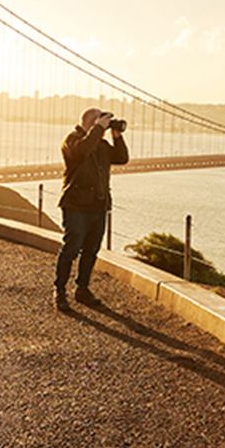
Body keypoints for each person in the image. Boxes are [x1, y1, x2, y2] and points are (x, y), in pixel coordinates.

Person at [53, 107, 128, 311]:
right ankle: (60, 291)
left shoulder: (101, 144)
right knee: (71, 248)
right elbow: (82, 151)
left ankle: (82, 289)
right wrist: (97, 130)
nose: (102, 125)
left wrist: (117, 136)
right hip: (76, 205)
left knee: (91, 250)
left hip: (98, 205)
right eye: (98, 120)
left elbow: (121, 158)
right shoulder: (71, 140)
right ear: (88, 122)